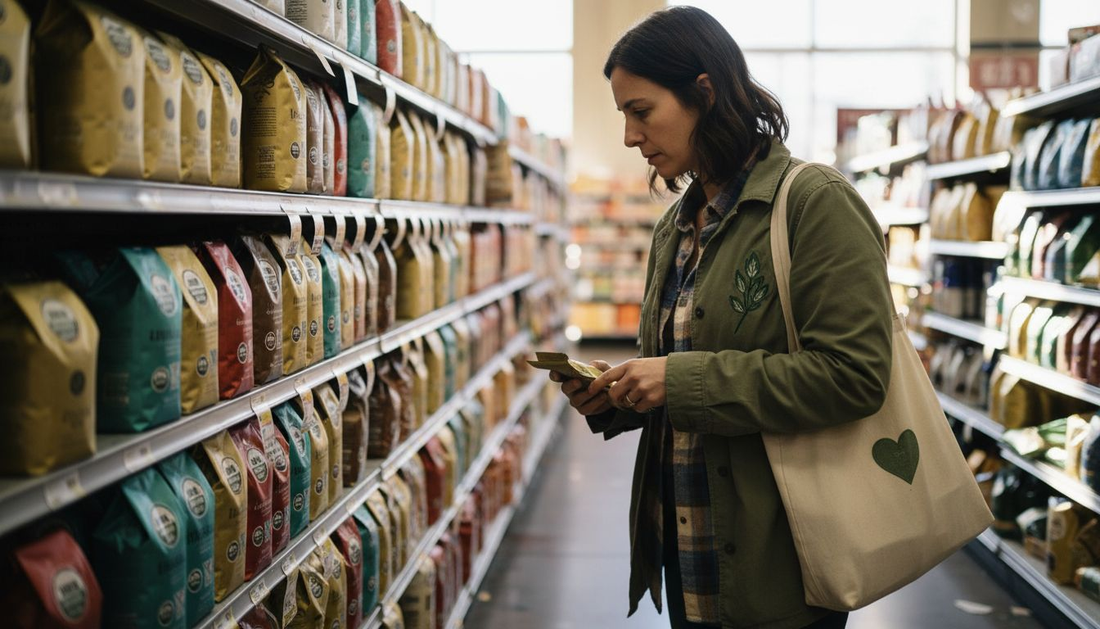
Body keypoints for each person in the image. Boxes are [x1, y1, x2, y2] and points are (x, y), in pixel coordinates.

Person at [550, 6, 894, 629]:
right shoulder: (673, 230)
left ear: (704, 93)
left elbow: (855, 376)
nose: (630, 136)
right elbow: (681, 385)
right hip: (689, 557)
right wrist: (622, 396)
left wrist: (679, 381)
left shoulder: (814, 204)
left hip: (778, 566)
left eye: (641, 111)